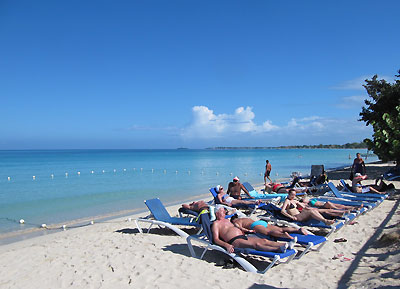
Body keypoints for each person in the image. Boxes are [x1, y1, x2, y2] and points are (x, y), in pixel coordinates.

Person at [212, 207, 294, 253]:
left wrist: (245, 231)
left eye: (224, 211)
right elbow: (216, 239)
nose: (225, 212)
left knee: (264, 240)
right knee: (256, 245)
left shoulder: (228, 220)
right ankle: (277, 249)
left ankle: (285, 244)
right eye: (223, 211)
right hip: (234, 240)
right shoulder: (216, 224)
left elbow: (233, 213)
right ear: (217, 213)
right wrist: (227, 245)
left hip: (242, 236)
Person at [230, 214, 307, 240]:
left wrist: (248, 230)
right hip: (260, 222)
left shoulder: (236, 222)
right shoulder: (245, 218)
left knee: (268, 232)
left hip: (254, 226)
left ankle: (283, 235)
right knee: (281, 228)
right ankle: (298, 230)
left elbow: (239, 228)